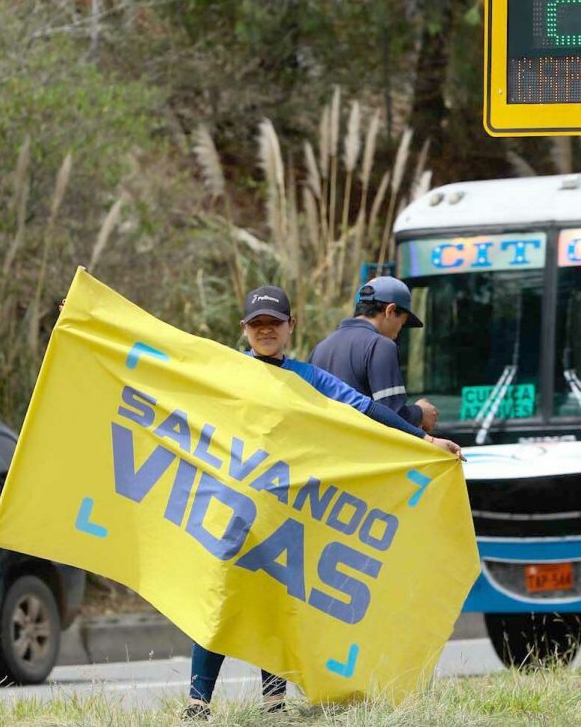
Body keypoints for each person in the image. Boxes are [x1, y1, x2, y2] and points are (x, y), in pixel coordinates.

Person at [184, 285, 462, 719]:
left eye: (274, 324)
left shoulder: (308, 377)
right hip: (235, 505)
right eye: (257, 325)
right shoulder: (229, 370)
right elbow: (166, 363)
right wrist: (92, 320)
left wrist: (423, 439)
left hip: (287, 507)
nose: (266, 332)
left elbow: (365, 409)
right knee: (222, 599)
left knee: (277, 602)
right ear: (245, 330)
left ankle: (273, 705)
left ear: (290, 327)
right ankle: (197, 705)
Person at [310, 276, 438, 433]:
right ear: (390, 311)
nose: (398, 333)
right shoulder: (381, 345)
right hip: (365, 453)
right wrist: (420, 412)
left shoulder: (320, 348)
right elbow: (393, 417)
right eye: (402, 324)